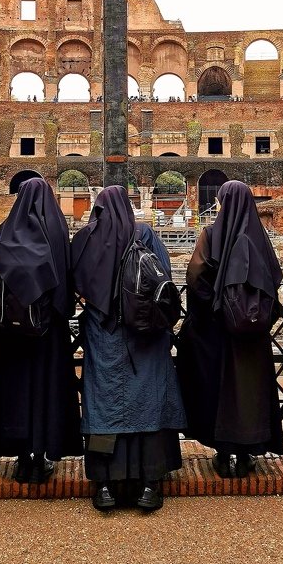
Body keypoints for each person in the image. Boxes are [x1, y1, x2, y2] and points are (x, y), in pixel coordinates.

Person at [71, 186, 186, 513]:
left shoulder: (85, 240)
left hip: (102, 336)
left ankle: (105, 485)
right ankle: (149, 485)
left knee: (104, 407)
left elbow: (74, 282)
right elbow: (163, 281)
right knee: (148, 404)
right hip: (144, 338)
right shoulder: (144, 233)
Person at [176, 180, 283, 477]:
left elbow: (196, 278)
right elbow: (274, 282)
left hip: (217, 332)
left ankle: (223, 454)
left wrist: (216, 311)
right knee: (249, 389)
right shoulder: (260, 239)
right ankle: (248, 453)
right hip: (251, 334)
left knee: (218, 387)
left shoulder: (211, 235)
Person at [0, 178, 82, 482]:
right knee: (47, 388)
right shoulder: (57, 228)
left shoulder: (6, 229)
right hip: (48, 328)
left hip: (13, 329)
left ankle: (22, 456)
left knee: (17, 389)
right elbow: (66, 275)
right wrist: (60, 309)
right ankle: (43, 452)